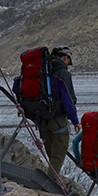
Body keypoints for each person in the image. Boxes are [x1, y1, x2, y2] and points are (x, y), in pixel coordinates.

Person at [37, 46, 79, 177]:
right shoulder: (62, 73)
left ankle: (52, 179)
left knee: (52, 154)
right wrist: (75, 120)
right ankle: (50, 185)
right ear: (65, 58)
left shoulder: (42, 71)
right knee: (58, 154)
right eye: (68, 60)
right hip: (57, 120)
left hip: (41, 119)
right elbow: (68, 99)